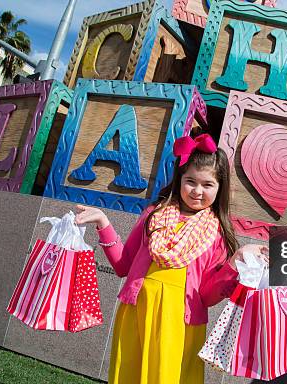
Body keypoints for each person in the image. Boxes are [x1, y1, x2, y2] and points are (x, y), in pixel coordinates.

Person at [74, 133, 268, 384]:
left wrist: (236, 260)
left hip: (180, 323)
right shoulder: (154, 215)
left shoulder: (216, 233)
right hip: (137, 313)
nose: (197, 191)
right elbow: (123, 266)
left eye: (207, 185)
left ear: (220, 189)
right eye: (191, 182)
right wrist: (103, 222)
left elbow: (206, 297)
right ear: (179, 180)